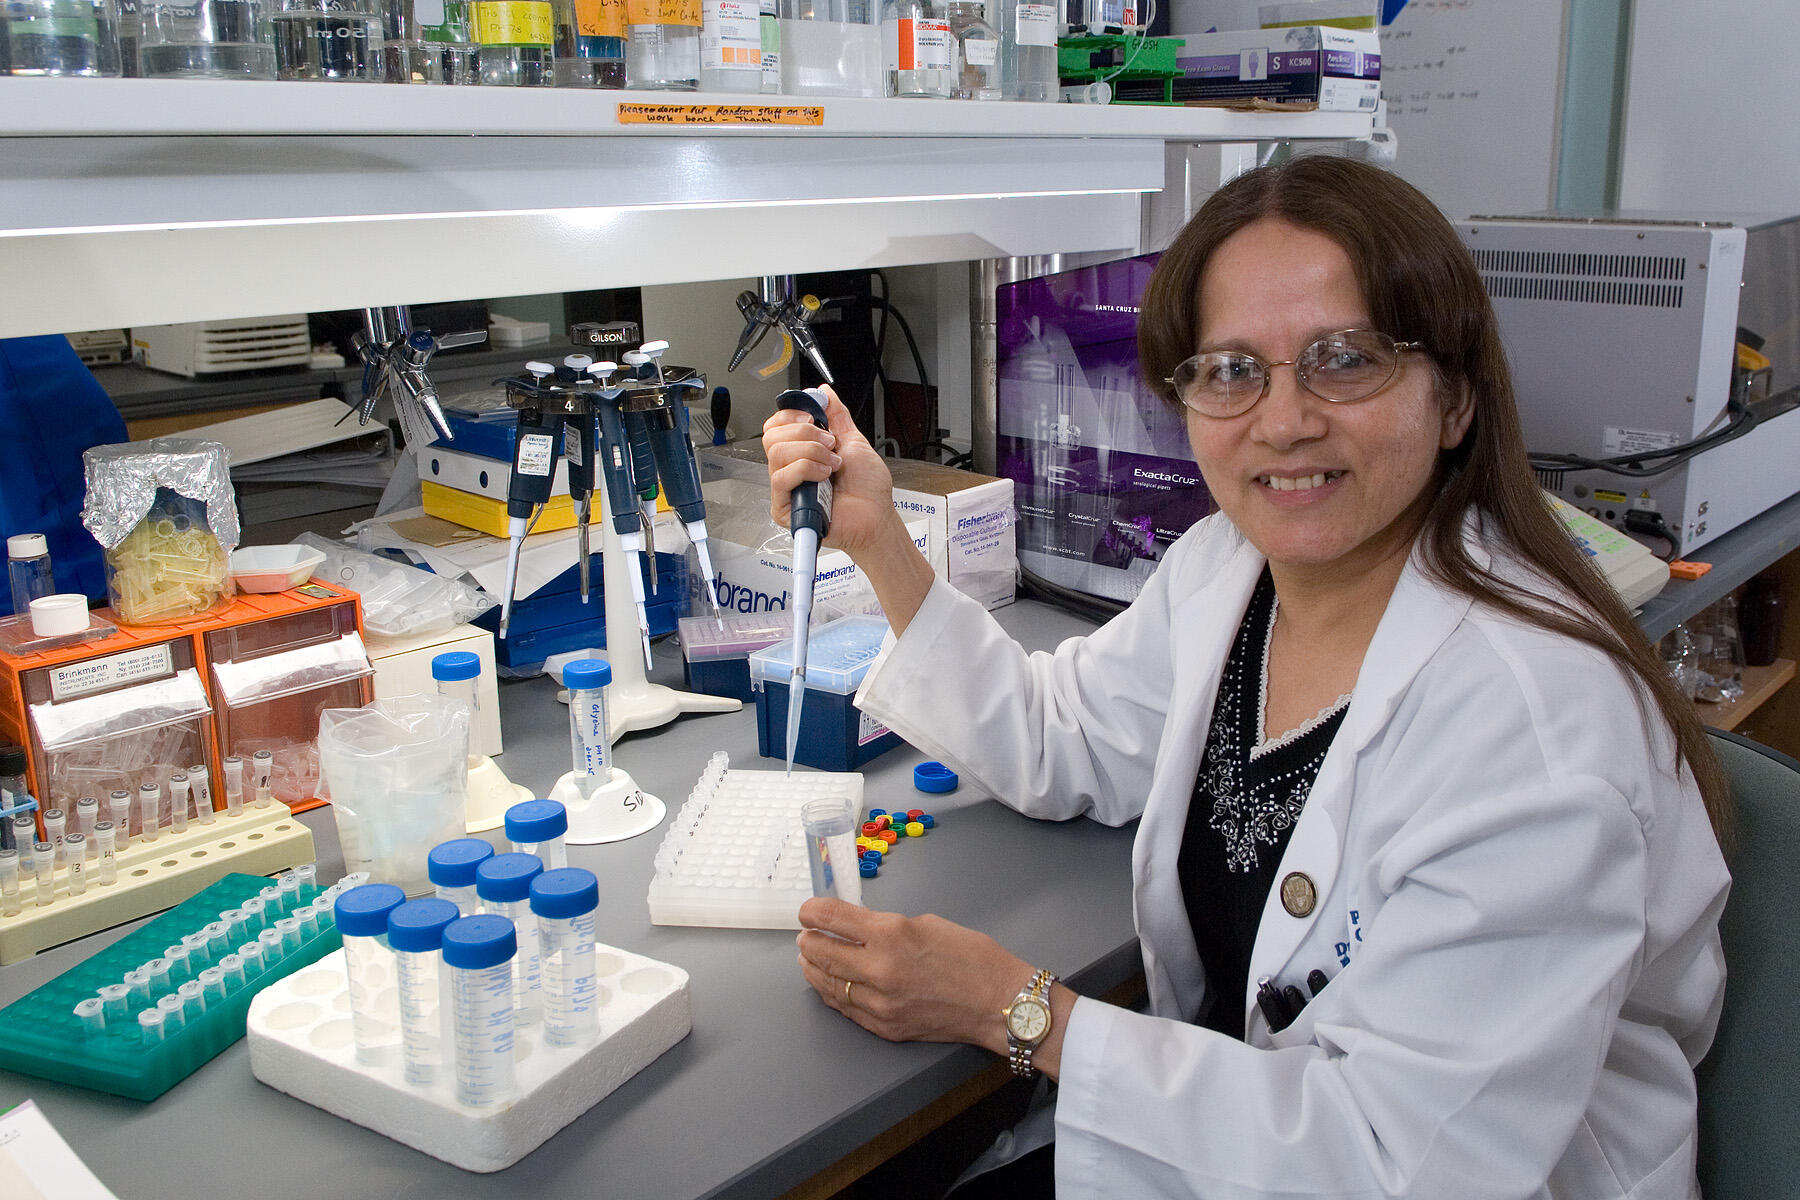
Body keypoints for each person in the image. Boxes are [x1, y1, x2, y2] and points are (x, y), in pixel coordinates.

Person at [762, 156, 1732, 1200]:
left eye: (1344, 359)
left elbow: (1396, 1163)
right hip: (1237, 1136)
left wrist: (1016, 1008)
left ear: (1454, 397)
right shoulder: (1233, 567)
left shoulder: (1538, 735)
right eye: (1230, 370)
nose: (1282, 422)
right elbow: (1066, 738)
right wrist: (881, 542)